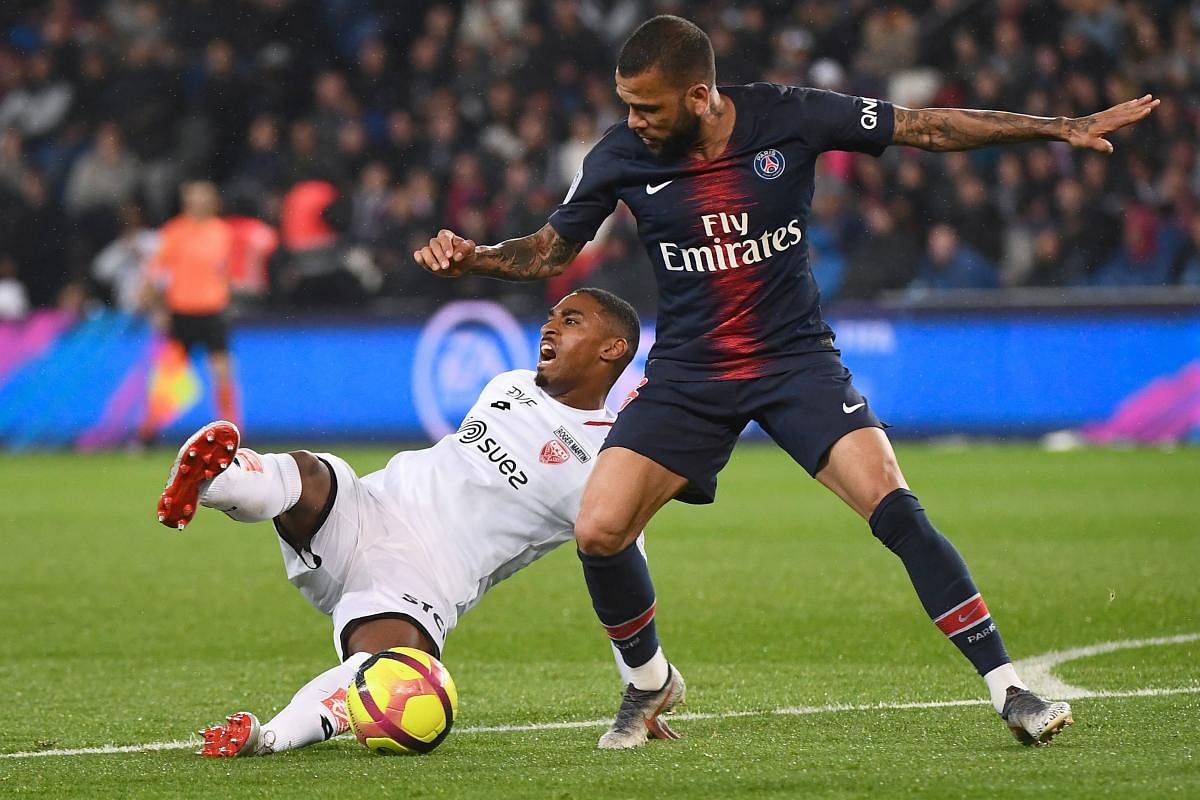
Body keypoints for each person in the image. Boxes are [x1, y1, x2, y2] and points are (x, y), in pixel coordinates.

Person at [413, 15, 1160, 749]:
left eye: (648, 106)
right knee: (600, 531)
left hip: (792, 358)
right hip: (691, 374)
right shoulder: (619, 156)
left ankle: (1010, 689)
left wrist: (1057, 125)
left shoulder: (790, 116)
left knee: (893, 504)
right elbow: (549, 252)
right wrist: (474, 255)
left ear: (700, 95)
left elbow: (927, 128)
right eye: (626, 104)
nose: (633, 120)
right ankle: (648, 682)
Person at [155, 288, 650, 757]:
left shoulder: (608, 461)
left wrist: (640, 683)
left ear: (613, 348)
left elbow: (623, 576)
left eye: (570, 320)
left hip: (423, 580)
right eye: (551, 316)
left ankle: (268, 738)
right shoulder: (511, 384)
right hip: (369, 506)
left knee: (391, 671)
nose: (550, 326)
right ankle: (208, 483)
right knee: (308, 471)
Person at [137, 180, 240, 443]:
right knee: (167, 376)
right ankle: (147, 432)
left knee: (223, 373)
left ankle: (233, 435)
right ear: (187, 201)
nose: (200, 201)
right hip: (181, 312)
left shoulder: (223, 232)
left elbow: (229, 273)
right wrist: (154, 304)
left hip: (212, 312)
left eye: (204, 196)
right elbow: (157, 272)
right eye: (195, 197)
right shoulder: (174, 232)